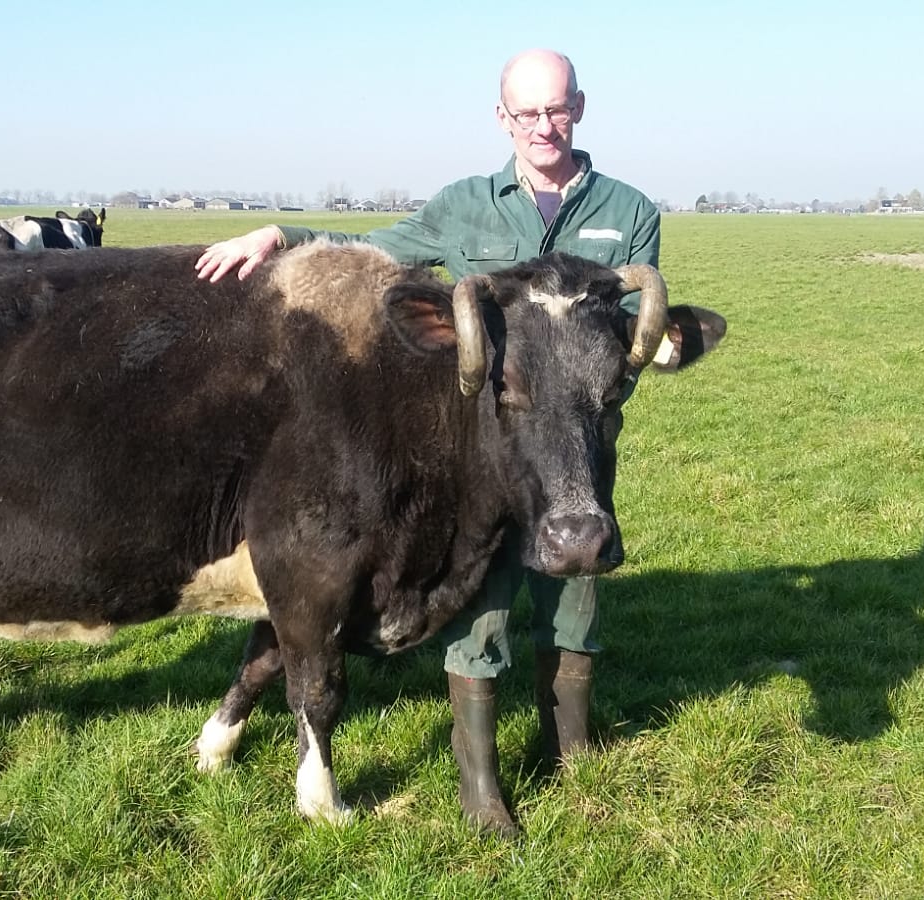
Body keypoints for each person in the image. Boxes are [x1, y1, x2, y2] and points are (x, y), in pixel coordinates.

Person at [195, 48, 660, 836]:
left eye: (556, 108)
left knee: (575, 599)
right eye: (527, 112)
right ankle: (480, 786)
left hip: (573, 446)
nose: (543, 125)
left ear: (579, 108)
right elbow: (377, 246)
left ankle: (571, 756)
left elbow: (628, 341)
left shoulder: (631, 209)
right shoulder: (465, 206)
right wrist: (283, 234)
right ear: (503, 117)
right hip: (483, 450)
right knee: (478, 608)